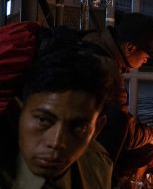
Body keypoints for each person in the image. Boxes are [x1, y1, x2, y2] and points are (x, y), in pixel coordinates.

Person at [81, 13, 153, 184]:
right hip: (81, 146)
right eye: (146, 56)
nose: (145, 61)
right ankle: (108, 181)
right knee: (145, 150)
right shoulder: (107, 71)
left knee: (145, 147)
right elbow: (126, 132)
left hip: (82, 135)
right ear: (130, 47)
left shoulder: (92, 43)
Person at [0, 47, 114, 188]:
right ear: (18, 114)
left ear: (97, 128)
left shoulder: (97, 165)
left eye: (79, 127)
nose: (57, 142)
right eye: (43, 120)